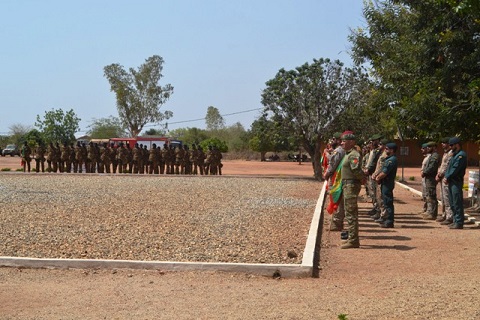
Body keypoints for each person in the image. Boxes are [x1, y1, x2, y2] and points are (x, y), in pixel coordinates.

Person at [339, 131, 364, 249]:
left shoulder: (353, 154)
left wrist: (363, 179)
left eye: (344, 141)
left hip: (351, 186)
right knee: (349, 213)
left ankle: (353, 240)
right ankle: (352, 238)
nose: (341, 143)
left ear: (351, 142)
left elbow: (356, 171)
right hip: (347, 185)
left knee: (351, 213)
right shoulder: (347, 154)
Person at [322, 132, 346, 231]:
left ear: (338, 140)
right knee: (338, 199)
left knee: (337, 199)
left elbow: (332, 164)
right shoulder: (341, 150)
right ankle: (337, 221)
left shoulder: (339, 150)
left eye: (333, 139)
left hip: (336, 178)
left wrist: (326, 174)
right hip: (339, 177)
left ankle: (337, 223)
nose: (332, 141)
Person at [444, 137, 467, 229]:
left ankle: (459, 222)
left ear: (457, 144)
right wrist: (446, 176)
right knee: (452, 202)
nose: (450, 147)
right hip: (451, 181)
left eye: (451, 145)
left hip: (456, 181)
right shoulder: (454, 155)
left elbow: (455, 169)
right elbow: (448, 167)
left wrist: (447, 176)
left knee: (457, 202)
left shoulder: (461, 155)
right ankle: (455, 220)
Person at [375, 142, 398, 228]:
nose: (385, 150)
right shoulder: (389, 159)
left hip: (387, 183)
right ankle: (386, 219)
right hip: (385, 183)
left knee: (388, 202)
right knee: (385, 201)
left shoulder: (391, 160)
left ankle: (389, 221)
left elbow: (384, 172)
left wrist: (378, 178)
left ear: (392, 150)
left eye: (387, 149)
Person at [435, 137, 454, 224]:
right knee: (442, 197)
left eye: (444, 143)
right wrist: (438, 174)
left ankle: (450, 216)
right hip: (441, 178)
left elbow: (447, 166)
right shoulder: (445, 153)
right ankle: (444, 214)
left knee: (447, 198)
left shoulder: (451, 153)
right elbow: (442, 165)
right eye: (442, 142)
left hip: (446, 178)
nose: (442, 144)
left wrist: (440, 175)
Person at [422, 142, 440, 220]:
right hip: (428, 177)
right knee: (429, 195)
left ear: (434, 147)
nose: (428, 148)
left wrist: (425, 172)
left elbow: (432, 167)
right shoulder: (432, 156)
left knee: (432, 195)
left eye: (430, 147)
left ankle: (433, 213)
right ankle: (430, 211)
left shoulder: (435, 156)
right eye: (427, 147)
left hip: (431, 177)